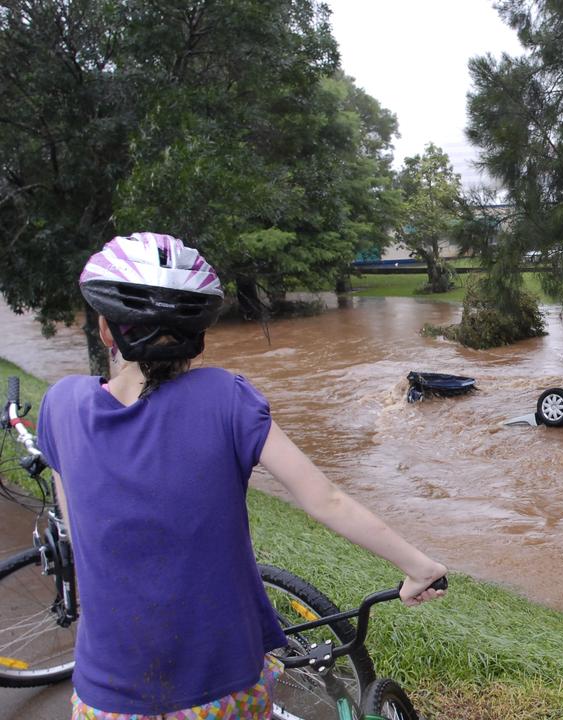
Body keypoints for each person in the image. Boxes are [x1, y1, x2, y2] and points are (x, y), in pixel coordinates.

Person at [36, 232, 448, 719]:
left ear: (106, 331)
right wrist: (418, 566)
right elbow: (326, 499)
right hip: (222, 685)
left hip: (107, 691)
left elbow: (76, 525)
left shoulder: (61, 404)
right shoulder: (225, 397)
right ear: (199, 336)